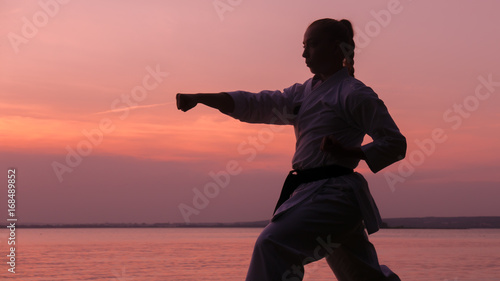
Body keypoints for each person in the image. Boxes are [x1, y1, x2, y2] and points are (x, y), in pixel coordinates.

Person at [177, 18, 406, 281]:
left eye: (312, 45)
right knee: (362, 276)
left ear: (336, 48)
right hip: (312, 193)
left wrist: (350, 152)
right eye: (304, 46)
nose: (304, 53)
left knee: (272, 244)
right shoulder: (302, 93)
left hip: (335, 197)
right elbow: (256, 103)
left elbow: (395, 144)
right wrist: (202, 98)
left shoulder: (354, 93)